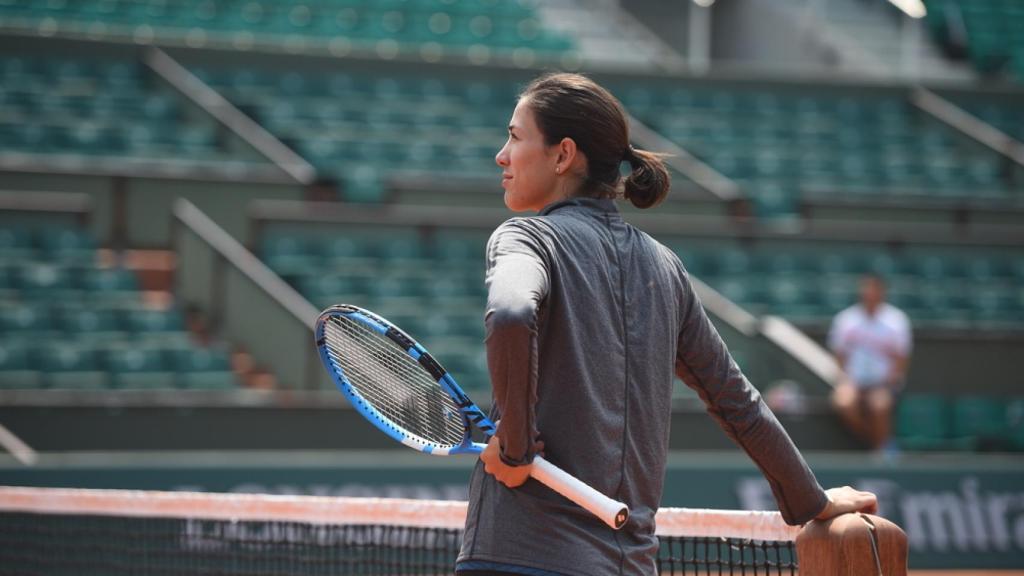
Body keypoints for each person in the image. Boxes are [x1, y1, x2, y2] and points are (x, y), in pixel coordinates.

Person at [455, 73, 877, 576]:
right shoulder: (665, 266)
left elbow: (510, 313)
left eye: (515, 136)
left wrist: (517, 446)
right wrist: (809, 500)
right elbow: (734, 398)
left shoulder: (526, 236)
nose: (502, 155)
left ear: (563, 155)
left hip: (518, 556)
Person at [828, 274, 912, 451]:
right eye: (866, 289)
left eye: (874, 289)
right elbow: (839, 354)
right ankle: (875, 442)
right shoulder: (846, 319)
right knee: (843, 403)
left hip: (882, 383)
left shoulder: (896, 320)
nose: (869, 293)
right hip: (854, 381)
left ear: (882, 292)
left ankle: (881, 452)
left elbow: (901, 357)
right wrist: (844, 378)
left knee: (879, 406)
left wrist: (890, 382)